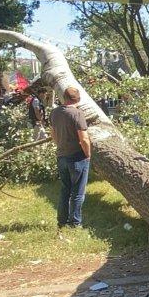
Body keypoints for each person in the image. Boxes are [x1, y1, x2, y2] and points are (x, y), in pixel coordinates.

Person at [49, 87, 91, 232]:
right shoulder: (77, 113)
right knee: (78, 192)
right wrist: (88, 154)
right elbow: (84, 138)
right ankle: (75, 223)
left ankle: (61, 221)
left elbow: (53, 133)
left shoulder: (54, 112)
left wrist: (60, 145)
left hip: (61, 155)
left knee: (65, 189)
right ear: (78, 99)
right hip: (77, 156)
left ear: (64, 98)